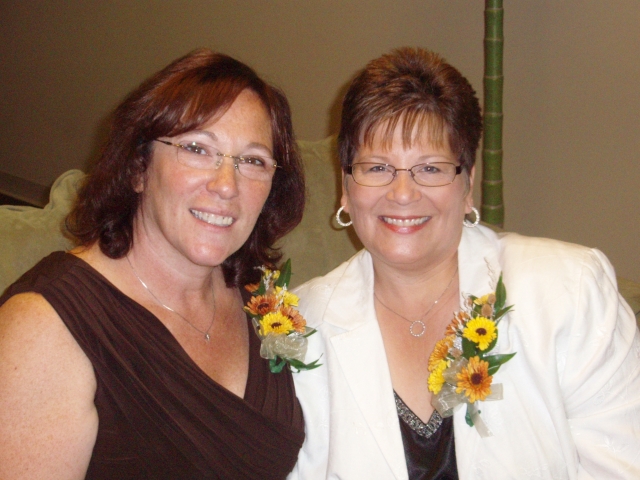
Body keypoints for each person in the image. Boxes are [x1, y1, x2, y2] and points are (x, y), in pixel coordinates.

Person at [289, 47, 640, 479]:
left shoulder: (568, 291)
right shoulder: (301, 330)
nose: (402, 193)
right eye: (377, 167)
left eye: (431, 168)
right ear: (345, 186)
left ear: (467, 183)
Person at [0, 49, 306, 479]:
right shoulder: (43, 329)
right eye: (198, 149)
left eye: (253, 161)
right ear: (138, 168)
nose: (226, 185)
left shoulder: (256, 295)